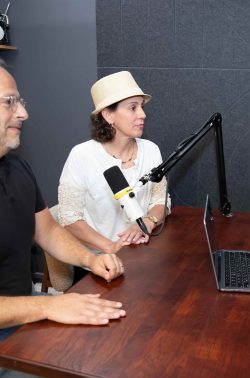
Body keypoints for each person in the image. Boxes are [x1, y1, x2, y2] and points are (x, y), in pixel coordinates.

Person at [0, 63, 126, 378]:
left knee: (108, 350)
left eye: (20, 101)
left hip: (20, 314)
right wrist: (48, 307)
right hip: (19, 318)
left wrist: (92, 258)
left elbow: (48, 231)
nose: (23, 113)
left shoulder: (16, 168)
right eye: (9, 102)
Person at [58, 71, 170, 281]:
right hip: (100, 264)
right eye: (132, 108)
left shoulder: (151, 150)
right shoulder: (82, 156)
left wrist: (146, 222)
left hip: (145, 257)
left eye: (142, 107)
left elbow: (160, 200)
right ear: (108, 115)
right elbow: (70, 219)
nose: (142, 115)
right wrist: (111, 247)